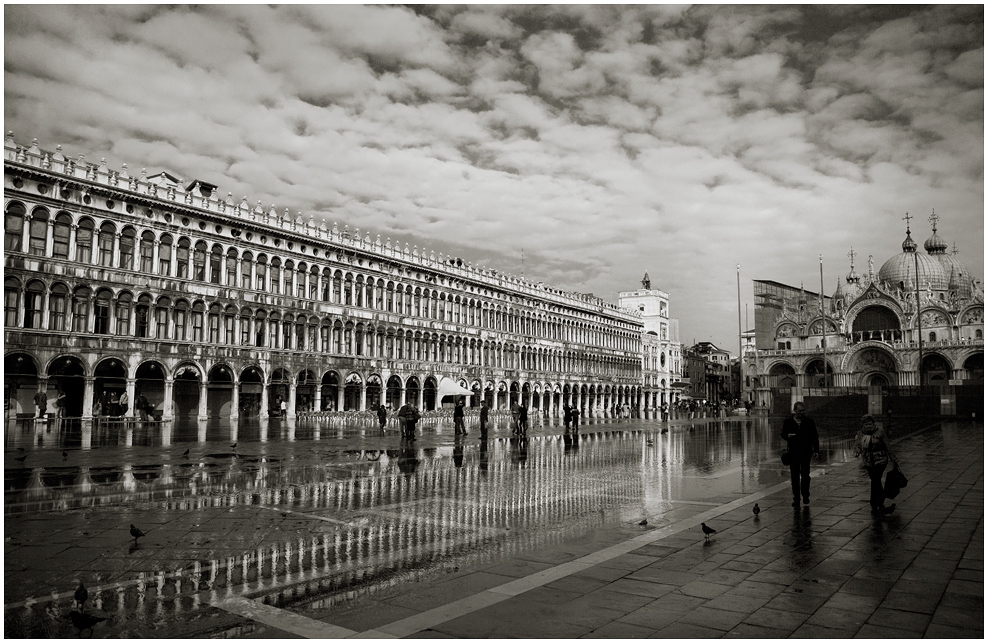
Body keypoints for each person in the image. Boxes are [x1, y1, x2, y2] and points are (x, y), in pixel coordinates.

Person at [853, 414, 897, 515]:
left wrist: (893, 459)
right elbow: (857, 445)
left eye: (870, 424)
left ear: (873, 424)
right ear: (863, 425)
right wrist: (856, 451)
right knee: (875, 481)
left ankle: (875, 503)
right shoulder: (861, 434)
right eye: (866, 424)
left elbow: (888, 446)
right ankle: (879, 501)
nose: (868, 426)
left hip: (881, 460)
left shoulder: (880, 432)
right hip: (868, 461)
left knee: (875, 480)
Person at [781, 401, 820, 507]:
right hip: (793, 452)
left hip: (806, 452)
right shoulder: (788, 422)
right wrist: (788, 436)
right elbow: (783, 433)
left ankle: (806, 495)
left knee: (805, 475)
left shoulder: (809, 421)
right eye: (800, 411)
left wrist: (816, 450)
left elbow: (814, 436)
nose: (802, 413)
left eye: (803, 410)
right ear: (794, 410)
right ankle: (796, 498)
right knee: (794, 476)